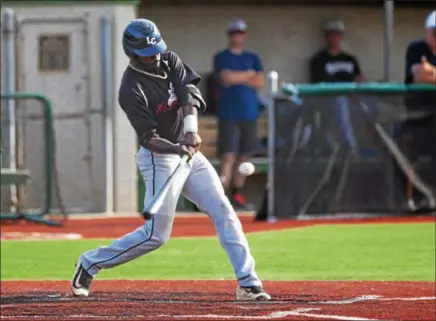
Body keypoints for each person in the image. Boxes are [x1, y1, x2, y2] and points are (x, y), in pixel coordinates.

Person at [71, 19, 271, 301]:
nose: (155, 56)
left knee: (224, 211)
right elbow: (149, 138)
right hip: (159, 158)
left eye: (156, 49)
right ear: (132, 52)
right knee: (156, 235)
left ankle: (248, 282)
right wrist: (178, 149)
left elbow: (188, 93)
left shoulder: (169, 59)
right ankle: (90, 263)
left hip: (190, 153)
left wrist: (191, 132)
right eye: (148, 53)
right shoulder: (131, 89)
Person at [213, 19, 264, 210]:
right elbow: (225, 78)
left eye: (241, 33)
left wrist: (240, 76)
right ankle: (221, 195)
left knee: (245, 156)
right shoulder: (221, 57)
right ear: (230, 35)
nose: (238, 36)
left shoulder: (253, 57)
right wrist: (247, 75)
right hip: (229, 113)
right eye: (234, 33)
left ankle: (236, 193)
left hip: (249, 113)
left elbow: (260, 81)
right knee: (229, 155)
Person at [309, 20, 365, 155]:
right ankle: (351, 146)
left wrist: (357, 90)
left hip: (353, 100)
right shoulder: (319, 59)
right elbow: (319, 85)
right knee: (340, 102)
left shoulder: (350, 59)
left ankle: (377, 145)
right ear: (327, 36)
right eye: (332, 34)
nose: (335, 38)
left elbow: (360, 78)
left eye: (338, 34)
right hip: (329, 101)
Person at [400, 10, 436, 210]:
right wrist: (428, 73)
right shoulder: (417, 48)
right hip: (418, 116)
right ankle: (411, 202)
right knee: (413, 159)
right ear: (427, 32)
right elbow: (420, 75)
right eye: (435, 33)